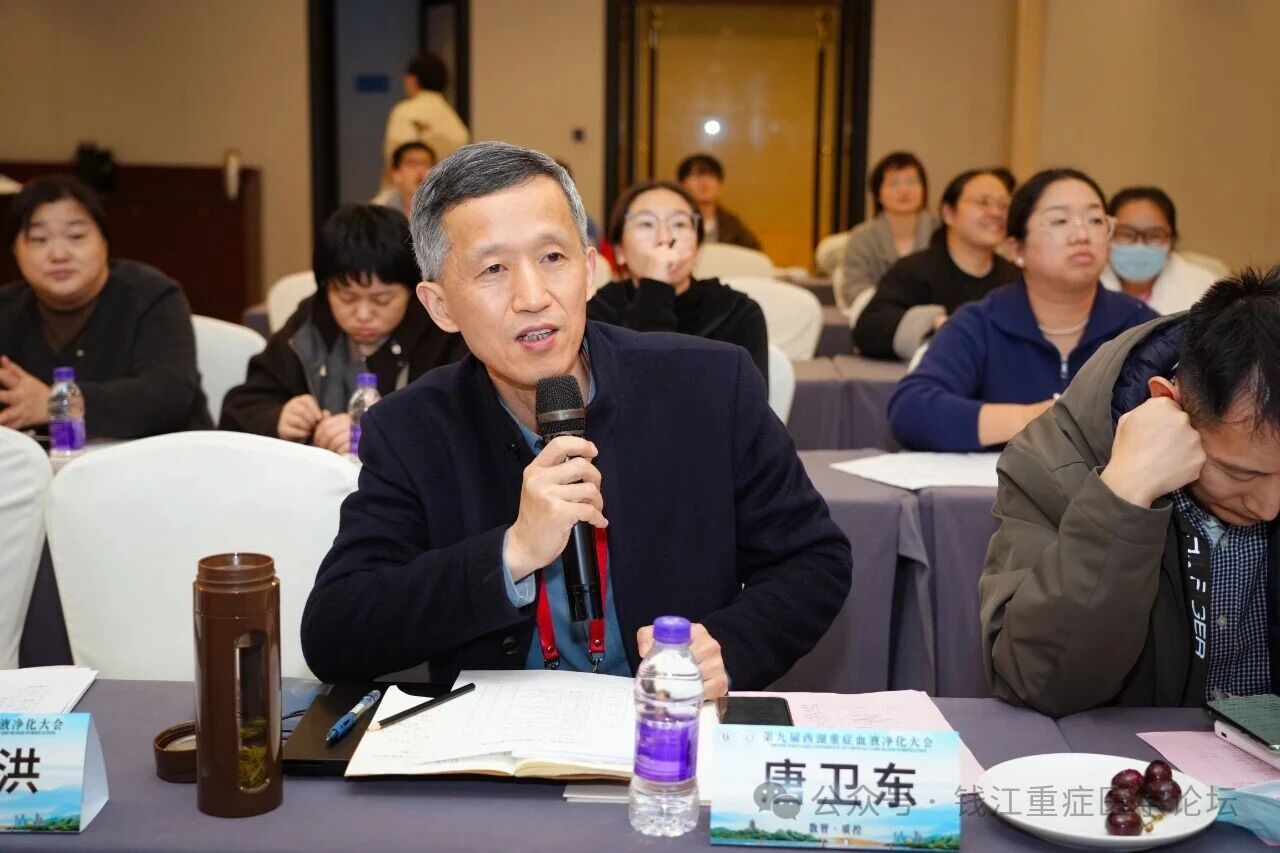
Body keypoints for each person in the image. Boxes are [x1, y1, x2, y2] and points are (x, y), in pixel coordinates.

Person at [301, 142, 851, 694]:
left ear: (588, 272)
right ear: (440, 306)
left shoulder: (709, 384)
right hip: (500, 738)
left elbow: (813, 560)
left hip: (665, 721)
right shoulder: (410, 429)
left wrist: (728, 649)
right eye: (493, 269)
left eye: (552, 258)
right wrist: (512, 552)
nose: (533, 296)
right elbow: (335, 633)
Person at [981, 266, 1280, 716]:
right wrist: (1123, 496)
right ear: (1168, 404)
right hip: (1136, 756)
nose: (1270, 506)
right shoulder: (1059, 461)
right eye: (1239, 474)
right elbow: (1040, 682)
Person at [888, 168, 1158, 452]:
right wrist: (1037, 418)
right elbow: (911, 410)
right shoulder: (981, 323)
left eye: (1095, 220)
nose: (1081, 235)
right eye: (1059, 220)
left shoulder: (1142, 327)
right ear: (1016, 249)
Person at [220, 204, 464, 454]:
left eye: (382, 300)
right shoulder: (311, 324)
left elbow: (462, 422)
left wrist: (380, 430)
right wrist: (277, 418)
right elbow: (239, 409)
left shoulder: (444, 330)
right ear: (325, 288)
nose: (363, 315)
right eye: (347, 298)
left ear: (415, 291)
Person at [0, 175, 210, 437]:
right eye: (39, 239)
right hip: (37, 461)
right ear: (15, 251)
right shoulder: (6, 309)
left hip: (159, 456)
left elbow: (169, 395)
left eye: (76, 236)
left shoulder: (152, 296)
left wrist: (58, 404)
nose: (59, 255)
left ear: (104, 241)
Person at [587, 180, 769, 385]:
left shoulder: (736, 313)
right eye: (646, 224)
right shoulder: (596, 313)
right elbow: (635, 389)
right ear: (619, 251)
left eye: (679, 224)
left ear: (698, 250)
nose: (665, 238)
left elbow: (748, 400)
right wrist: (655, 288)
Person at [854, 168, 1020, 361]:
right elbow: (869, 329)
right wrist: (932, 323)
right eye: (983, 202)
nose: (996, 212)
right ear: (948, 213)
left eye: (1004, 205)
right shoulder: (914, 270)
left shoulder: (1017, 280)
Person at [836, 151, 939, 314]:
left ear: (924, 189)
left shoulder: (942, 232)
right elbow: (854, 288)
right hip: (879, 315)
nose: (904, 190)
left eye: (911, 182)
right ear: (877, 194)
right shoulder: (862, 237)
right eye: (893, 184)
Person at [1101, 186, 1217, 315]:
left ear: (1172, 239)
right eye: (1126, 234)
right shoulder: (1088, 282)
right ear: (1107, 234)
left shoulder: (1205, 287)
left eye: (1154, 235)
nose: (1140, 245)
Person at [381, 52, 470, 190]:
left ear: (413, 79)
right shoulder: (454, 119)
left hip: (412, 194)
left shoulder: (406, 111)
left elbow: (394, 158)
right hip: (446, 193)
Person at [676, 153, 762, 251]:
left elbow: (755, 255)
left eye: (711, 176)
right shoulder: (671, 221)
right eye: (696, 175)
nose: (704, 182)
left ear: (720, 186)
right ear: (681, 185)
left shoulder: (732, 226)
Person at [373, 141, 436, 218]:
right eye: (413, 165)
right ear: (396, 174)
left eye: (426, 164)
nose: (420, 170)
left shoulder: (445, 209)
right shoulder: (380, 210)